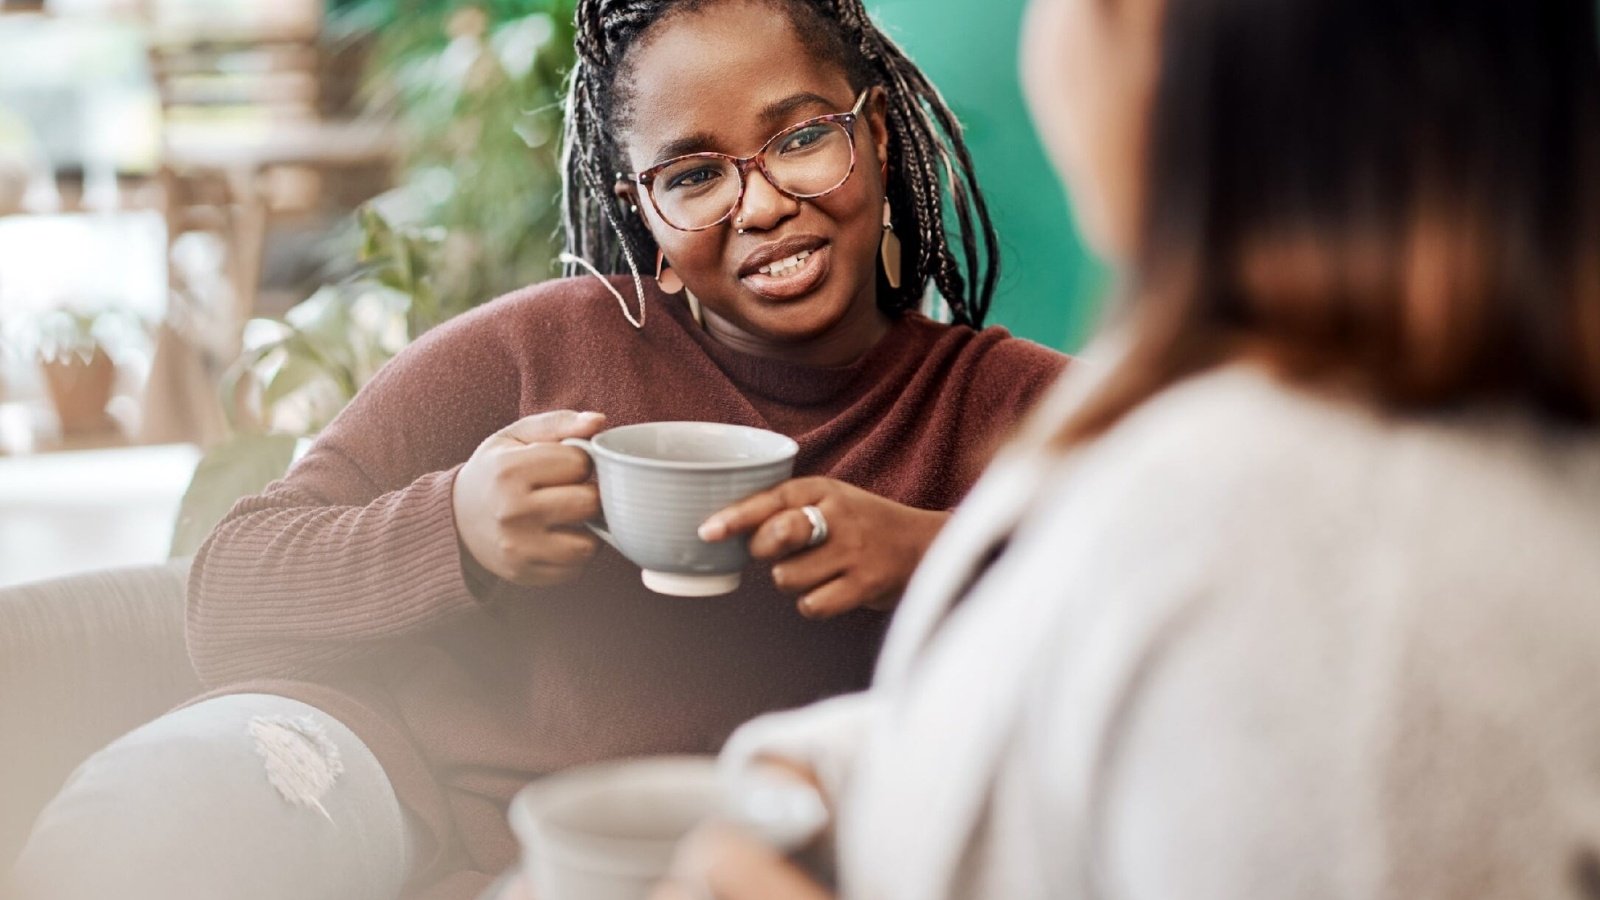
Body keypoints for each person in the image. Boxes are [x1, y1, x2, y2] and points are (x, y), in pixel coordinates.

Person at [5, 2, 1067, 899]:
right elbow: (228, 591)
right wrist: (456, 526)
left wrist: (941, 554)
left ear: (875, 133)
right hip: (431, 814)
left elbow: (1192, 642)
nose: (761, 203)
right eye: (693, 175)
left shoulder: (1021, 409)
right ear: (639, 207)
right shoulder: (538, 345)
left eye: (800, 138)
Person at [657, 0, 1600, 897]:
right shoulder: (1262, 437)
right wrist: (828, 783)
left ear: (1161, 37)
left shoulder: (1316, 554)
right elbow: (1130, 732)